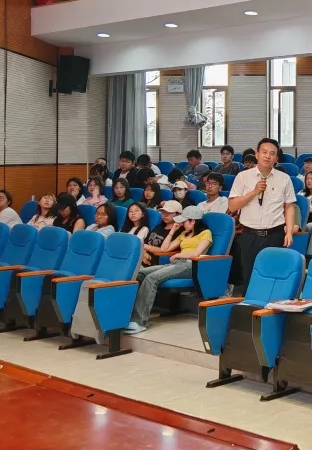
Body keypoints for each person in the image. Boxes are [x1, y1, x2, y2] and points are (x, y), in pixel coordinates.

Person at [125, 206, 213, 334]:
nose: (181, 223)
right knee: (139, 274)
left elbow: (197, 253)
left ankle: (139, 321)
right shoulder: (184, 233)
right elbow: (165, 249)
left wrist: (178, 255)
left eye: (184, 221)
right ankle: (126, 315)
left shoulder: (206, 233)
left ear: (193, 221)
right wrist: (173, 230)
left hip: (191, 265)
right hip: (177, 263)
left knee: (152, 278)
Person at [229, 138, 297, 293]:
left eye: (272, 154)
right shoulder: (243, 177)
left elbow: (289, 206)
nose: (268, 156)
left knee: (274, 277)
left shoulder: (284, 178)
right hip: (249, 235)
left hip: (275, 234)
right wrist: (253, 192)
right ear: (257, 154)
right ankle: (251, 313)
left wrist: (289, 232)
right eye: (264, 152)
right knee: (250, 277)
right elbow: (232, 206)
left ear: (276, 158)